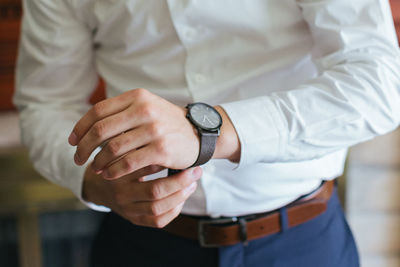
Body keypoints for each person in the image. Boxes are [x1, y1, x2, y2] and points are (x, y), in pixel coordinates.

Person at [14, 0, 400, 266]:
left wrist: (206, 131)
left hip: (302, 242)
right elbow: (45, 103)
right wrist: (94, 182)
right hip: (140, 245)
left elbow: (379, 85)